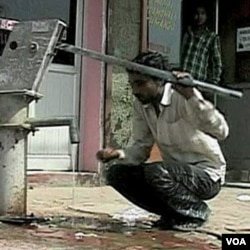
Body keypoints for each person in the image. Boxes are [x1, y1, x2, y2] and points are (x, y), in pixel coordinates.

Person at [96, 51, 229, 231]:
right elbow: (141, 148)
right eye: (132, 84)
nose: (135, 91)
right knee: (117, 174)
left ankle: (195, 211)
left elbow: (221, 131)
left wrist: (192, 96)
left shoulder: (182, 96)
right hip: (173, 173)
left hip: (206, 175)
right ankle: (173, 214)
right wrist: (118, 154)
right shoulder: (141, 105)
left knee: (156, 171)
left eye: (141, 84)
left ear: (159, 81)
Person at [181, 1, 223, 88]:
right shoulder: (186, 33)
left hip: (197, 82)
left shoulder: (211, 37)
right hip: (180, 78)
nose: (199, 16)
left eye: (202, 13)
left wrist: (214, 82)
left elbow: (217, 62)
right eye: (197, 13)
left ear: (206, 16)